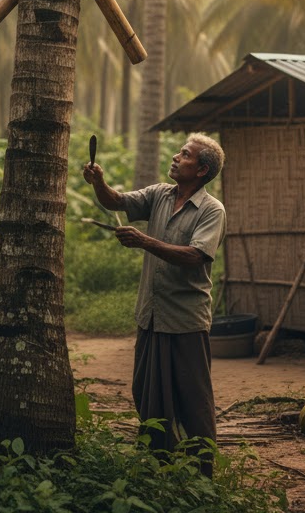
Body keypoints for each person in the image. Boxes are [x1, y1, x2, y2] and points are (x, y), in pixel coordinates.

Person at [83, 133, 226, 474]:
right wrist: (99, 182)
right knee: (146, 392)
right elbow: (116, 202)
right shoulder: (160, 194)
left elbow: (196, 255)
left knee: (193, 400)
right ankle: (160, 464)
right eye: (179, 152)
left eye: (185, 155)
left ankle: (202, 470)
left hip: (185, 320)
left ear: (202, 169)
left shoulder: (211, 210)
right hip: (151, 315)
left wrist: (145, 241)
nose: (176, 157)